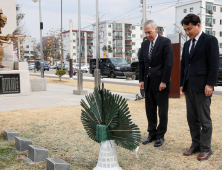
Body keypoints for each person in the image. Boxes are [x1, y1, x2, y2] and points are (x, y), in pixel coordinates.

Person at [180, 14, 219, 161]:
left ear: (198, 25)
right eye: (185, 29)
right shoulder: (187, 44)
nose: (187, 32)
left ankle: (205, 148)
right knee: (191, 118)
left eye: (189, 29)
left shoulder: (210, 40)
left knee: (204, 119)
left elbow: (214, 64)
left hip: (203, 86)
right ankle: (195, 144)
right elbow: (184, 65)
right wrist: (182, 84)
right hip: (189, 85)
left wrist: (210, 84)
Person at [139, 20, 173, 147]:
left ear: (156, 29)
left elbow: (168, 64)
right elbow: (142, 63)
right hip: (148, 82)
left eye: (150, 32)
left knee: (162, 111)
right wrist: (141, 80)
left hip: (161, 83)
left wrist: (164, 81)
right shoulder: (144, 44)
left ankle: (160, 135)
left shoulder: (165, 42)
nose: (148, 35)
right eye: (146, 33)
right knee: (150, 110)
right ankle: (151, 134)